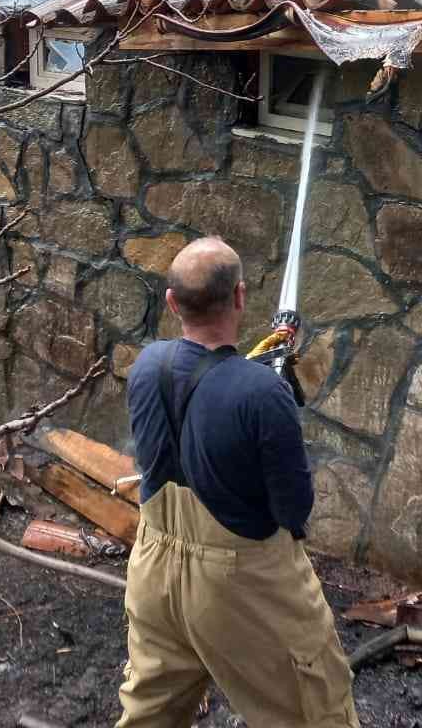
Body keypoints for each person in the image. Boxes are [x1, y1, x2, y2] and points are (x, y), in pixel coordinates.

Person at [118, 237, 358, 728]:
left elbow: (205, 390)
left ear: (171, 303)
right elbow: (293, 510)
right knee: (316, 710)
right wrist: (273, 393)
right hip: (239, 583)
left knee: (149, 715)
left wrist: (259, 381)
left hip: (153, 571)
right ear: (241, 297)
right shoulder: (261, 392)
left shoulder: (146, 367)